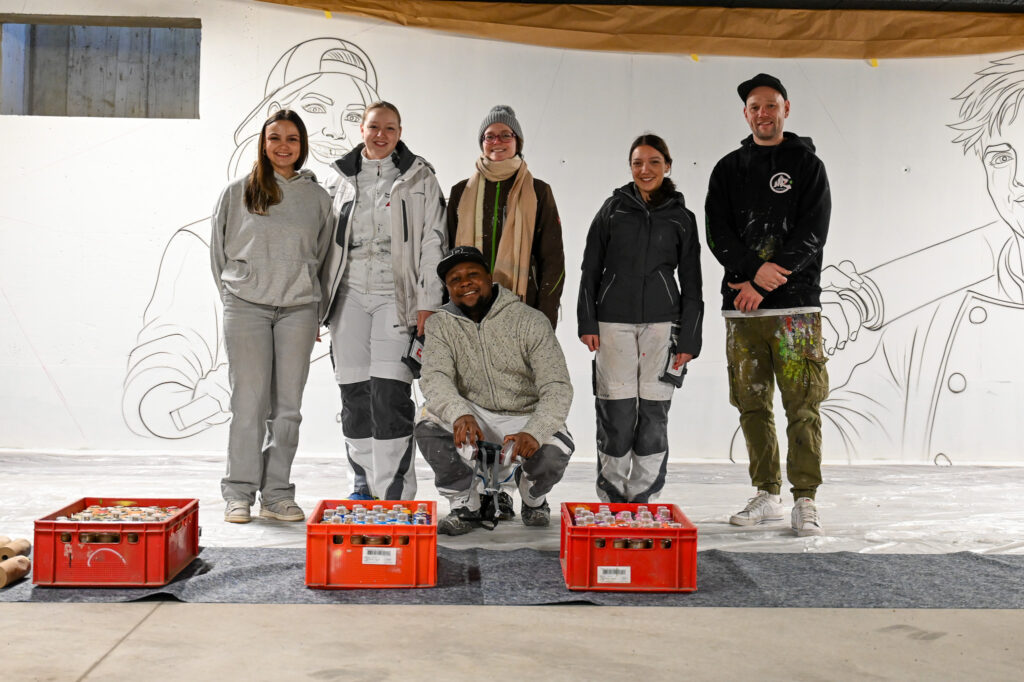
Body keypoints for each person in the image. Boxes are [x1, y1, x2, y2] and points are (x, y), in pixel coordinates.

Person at [124, 38, 381, 440]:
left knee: (288, 420)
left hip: (352, 430)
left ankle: (281, 480)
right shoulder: (205, 229)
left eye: (351, 116)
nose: (334, 129)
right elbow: (157, 390)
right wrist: (212, 394)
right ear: (265, 136)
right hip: (245, 344)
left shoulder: (339, 221)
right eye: (316, 107)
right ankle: (243, 479)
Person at [806, 53, 1024, 463]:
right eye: (1001, 157)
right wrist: (798, 354)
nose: (1019, 179)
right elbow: (842, 432)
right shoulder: (933, 324)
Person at [705, 73, 832, 537]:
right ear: (746, 113)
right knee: (752, 405)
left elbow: (812, 233)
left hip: (794, 310)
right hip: (743, 311)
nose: (763, 114)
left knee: (803, 405)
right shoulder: (728, 168)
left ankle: (805, 499)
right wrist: (751, 276)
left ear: (786, 109)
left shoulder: (807, 166)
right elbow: (717, 233)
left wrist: (764, 281)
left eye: (771, 105)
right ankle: (767, 493)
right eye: (755, 107)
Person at [321, 101, 447, 501]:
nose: (381, 135)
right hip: (348, 297)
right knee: (354, 392)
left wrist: (428, 302)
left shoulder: (419, 177)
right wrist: (316, 307)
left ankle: (394, 489)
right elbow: (321, 244)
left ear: (399, 132)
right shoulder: (338, 178)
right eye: (374, 127)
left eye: (390, 128)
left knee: (390, 393)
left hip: (397, 297)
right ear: (362, 129)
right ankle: (362, 482)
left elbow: (433, 242)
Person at [211, 109, 332, 523]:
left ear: (302, 146)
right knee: (248, 403)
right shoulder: (238, 192)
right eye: (275, 138)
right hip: (246, 307)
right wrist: (235, 294)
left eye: (292, 139)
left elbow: (323, 257)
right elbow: (218, 253)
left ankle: (277, 493)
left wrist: (315, 310)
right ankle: (239, 493)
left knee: (287, 409)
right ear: (263, 144)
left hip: (298, 310)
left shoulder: (318, 198)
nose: (283, 146)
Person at [577, 134, 703, 504]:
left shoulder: (682, 218)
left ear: (668, 166)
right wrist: (587, 321)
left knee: (653, 412)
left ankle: (643, 494)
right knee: (616, 411)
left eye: (653, 162)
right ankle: (613, 494)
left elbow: (692, 282)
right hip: (611, 324)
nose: (645, 170)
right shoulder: (612, 210)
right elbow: (590, 269)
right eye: (637, 163)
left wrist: (690, 338)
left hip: (663, 327)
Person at [414, 246, 574, 535]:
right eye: (455, 279)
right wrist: (459, 413)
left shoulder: (530, 320)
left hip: (525, 416)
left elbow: (557, 386)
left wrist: (534, 431)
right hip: (474, 414)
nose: (465, 282)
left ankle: (532, 496)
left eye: (472, 274)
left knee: (555, 452)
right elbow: (435, 377)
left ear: (489, 278)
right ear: (448, 289)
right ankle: (465, 502)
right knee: (427, 424)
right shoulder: (439, 324)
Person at [447, 105, 565, 330]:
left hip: (522, 311)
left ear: (517, 141)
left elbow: (553, 260)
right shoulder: (460, 192)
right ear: (482, 142)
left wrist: (545, 318)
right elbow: (449, 257)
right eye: (489, 136)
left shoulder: (538, 191)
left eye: (505, 135)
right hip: (468, 312)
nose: (497, 141)